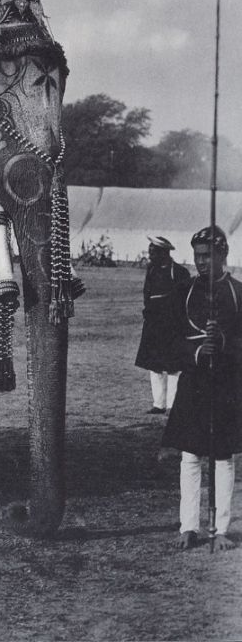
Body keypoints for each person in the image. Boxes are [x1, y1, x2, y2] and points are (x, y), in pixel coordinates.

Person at [161, 225, 242, 550]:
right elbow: (168, 340)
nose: (202, 262)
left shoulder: (239, 292)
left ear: (223, 254)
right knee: (190, 455)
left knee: (222, 457)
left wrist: (223, 342)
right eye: (197, 256)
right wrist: (196, 350)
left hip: (227, 385)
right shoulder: (184, 291)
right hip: (193, 383)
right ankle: (189, 526)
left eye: (208, 256)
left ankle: (220, 529)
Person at [135, 236, 189, 413]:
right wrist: (149, 311)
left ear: (163, 253)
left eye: (153, 251)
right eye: (150, 251)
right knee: (154, 364)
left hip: (173, 326)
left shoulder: (180, 272)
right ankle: (158, 404)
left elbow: (183, 300)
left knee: (174, 366)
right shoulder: (151, 270)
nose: (150, 254)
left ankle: (173, 405)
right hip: (154, 325)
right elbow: (147, 294)